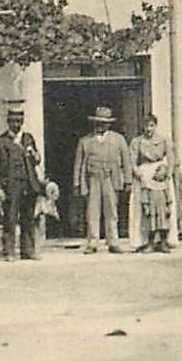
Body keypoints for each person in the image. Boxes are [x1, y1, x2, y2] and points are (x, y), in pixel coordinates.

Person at [72, 105, 133, 254]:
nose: (101, 125)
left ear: (109, 124)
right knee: (92, 212)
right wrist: (77, 183)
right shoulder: (85, 141)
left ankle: (113, 242)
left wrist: (128, 180)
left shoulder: (118, 140)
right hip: (93, 179)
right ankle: (93, 243)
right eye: (98, 122)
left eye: (104, 122)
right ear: (94, 123)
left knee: (112, 211)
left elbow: (126, 161)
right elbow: (78, 164)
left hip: (111, 179)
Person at [0, 100, 43, 261]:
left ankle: (28, 250)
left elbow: (36, 160)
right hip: (10, 187)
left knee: (28, 218)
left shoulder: (28, 139)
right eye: (13, 121)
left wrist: (34, 156)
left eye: (19, 121)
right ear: (8, 122)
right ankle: (9, 251)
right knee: (10, 218)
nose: (16, 124)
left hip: (28, 185)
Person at [130, 114, 176, 253]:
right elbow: (131, 160)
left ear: (155, 126)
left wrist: (167, 172)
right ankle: (146, 241)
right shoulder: (137, 142)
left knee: (163, 209)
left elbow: (171, 158)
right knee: (146, 211)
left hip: (160, 174)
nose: (148, 129)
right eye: (146, 126)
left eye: (151, 125)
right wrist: (137, 172)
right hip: (144, 175)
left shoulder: (164, 140)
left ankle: (163, 241)